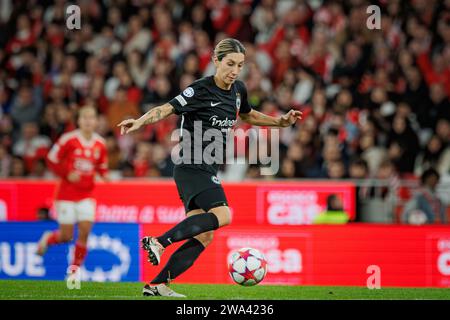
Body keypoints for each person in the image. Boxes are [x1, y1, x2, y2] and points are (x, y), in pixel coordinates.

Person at [118, 38, 302, 297]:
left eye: (240, 65)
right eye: (229, 64)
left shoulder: (238, 90)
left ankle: (157, 285)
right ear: (216, 61)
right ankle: (159, 242)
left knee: (205, 235)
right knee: (224, 215)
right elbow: (166, 109)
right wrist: (139, 121)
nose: (235, 71)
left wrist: (280, 123)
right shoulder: (200, 90)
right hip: (191, 165)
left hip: (207, 168)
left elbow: (248, 115)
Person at [36, 105, 109, 272]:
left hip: (87, 194)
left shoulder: (100, 144)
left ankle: (74, 271)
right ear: (79, 121)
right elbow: (51, 159)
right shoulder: (68, 139)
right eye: (85, 118)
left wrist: (105, 175)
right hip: (66, 194)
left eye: (91, 118)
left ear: (96, 121)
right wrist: (67, 173)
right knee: (66, 236)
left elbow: (101, 166)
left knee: (84, 232)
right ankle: (48, 238)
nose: (88, 121)